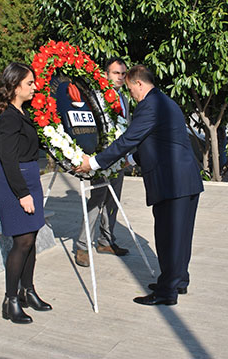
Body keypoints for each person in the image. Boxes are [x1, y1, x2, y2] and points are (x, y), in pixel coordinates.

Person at [76, 65, 204, 306]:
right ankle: (178, 280)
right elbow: (159, 142)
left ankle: (167, 292)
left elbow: (129, 139)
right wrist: (131, 160)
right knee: (181, 235)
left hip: (172, 183)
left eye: (130, 89)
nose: (131, 95)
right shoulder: (164, 102)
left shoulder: (149, 105)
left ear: (139, 84)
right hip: (185, 180)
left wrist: (93, 163)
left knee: (169, 236)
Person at [0, 62, 52, 324]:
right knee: (21, 242)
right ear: (15, 87)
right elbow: (9, 159)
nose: (35, 87)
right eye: (29, 83)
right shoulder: (9, 117)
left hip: (29, 178)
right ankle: (10, 300)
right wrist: (22, 193)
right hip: (15, 182)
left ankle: (28, 291)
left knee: (31, 238)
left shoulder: (20, 112)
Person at [74, 58, 131, 267]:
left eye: (123, 74)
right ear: (106, 74)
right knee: (96, 200)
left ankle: (106, 240)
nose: (121, 78)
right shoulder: (96, 97)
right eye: (116, 73)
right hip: (102, 158)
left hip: (120, 159)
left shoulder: (124, 98)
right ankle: (82, 245)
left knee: (113, 200)